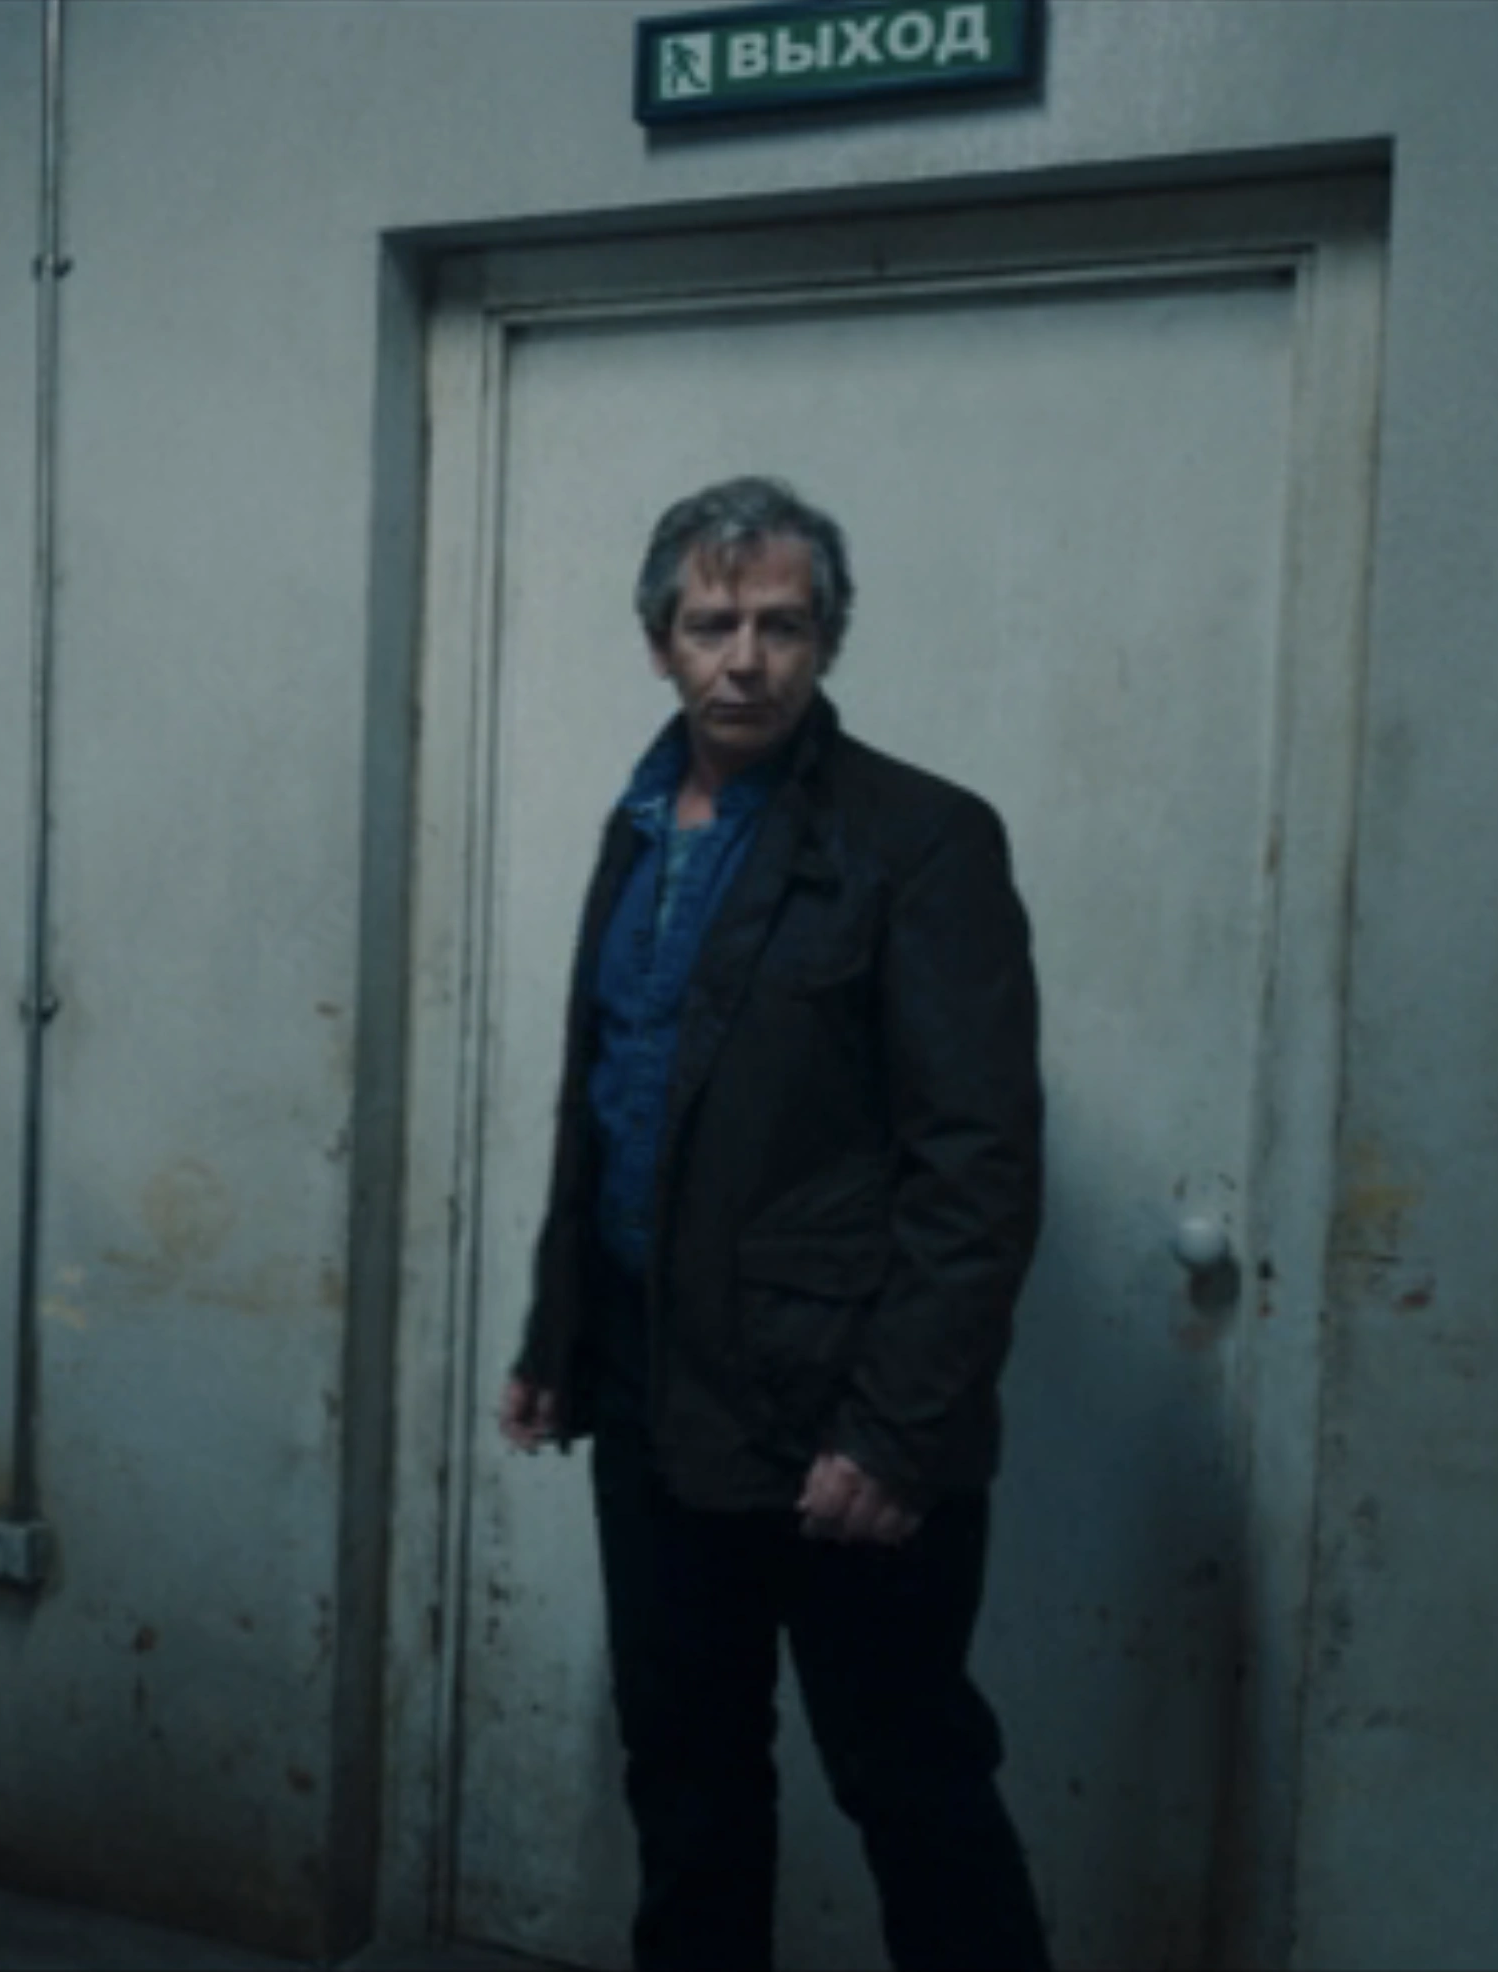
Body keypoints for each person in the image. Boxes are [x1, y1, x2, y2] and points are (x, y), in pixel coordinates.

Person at [497, 477, 1053, 1971]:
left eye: (781, 626)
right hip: (650, 1388)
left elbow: (977, 1165)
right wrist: (558, 1334)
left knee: (910, 1779)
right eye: (711, 624)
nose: (743, 660)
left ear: (827, 641)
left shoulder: (921, 838)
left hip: (840, 1412)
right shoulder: (636, 826)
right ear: (658, 643)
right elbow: (614, 1101)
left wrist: (896, 1430)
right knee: (683, 1780)